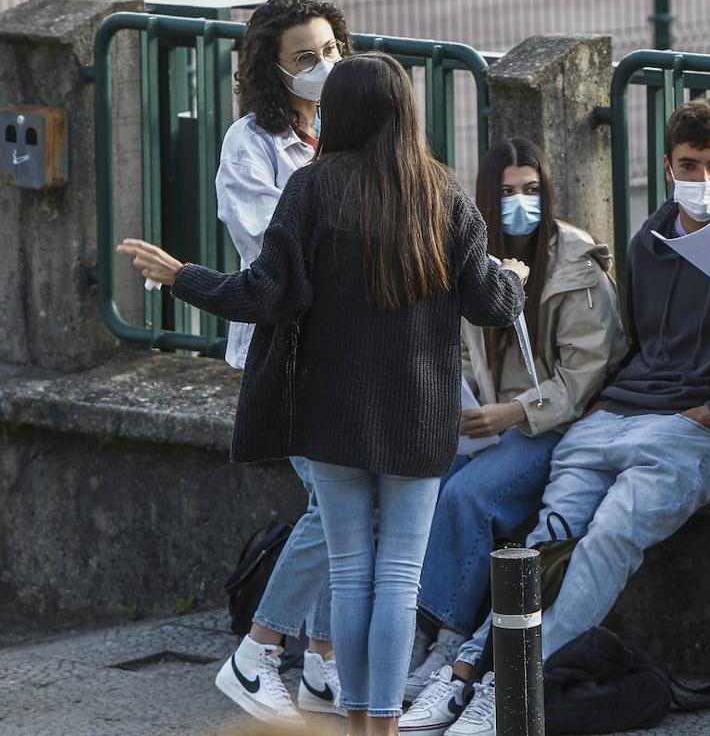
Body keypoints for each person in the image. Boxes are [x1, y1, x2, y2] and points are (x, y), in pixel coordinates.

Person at [117, 52, 528, 736]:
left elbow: (265, 293)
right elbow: (488, 303)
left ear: (339, 112)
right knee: (399, 576)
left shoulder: (313, 189)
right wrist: (510, 273)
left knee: (349, 569)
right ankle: (384, 727)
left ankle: (356, 721)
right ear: (406, 113)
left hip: (331, 412)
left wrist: (183, 275)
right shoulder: (444, 193)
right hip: (420, 415)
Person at [416, 98, 710, 734]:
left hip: (694, 427)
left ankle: (510, 689)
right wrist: (605, 408)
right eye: (687, 166)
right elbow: (636, 347)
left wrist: (709, 414)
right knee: (544, 541)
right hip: (614, 416)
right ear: (667, 166)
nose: (700, 181)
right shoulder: (649, 241)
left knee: (609, 537)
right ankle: (464, 671)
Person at [398, 138, 626, 734]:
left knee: (468, 497)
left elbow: (586, 373)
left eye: (530, 190)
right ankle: (405, 629)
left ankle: (449, 639)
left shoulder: (575, 262)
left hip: (551, 423)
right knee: (422, 476)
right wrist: (465, 404)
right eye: (505, 192)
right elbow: (466, 352)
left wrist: (514, 412)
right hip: (487, 419)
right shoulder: (471, 254)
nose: (519, 202)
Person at [210, 0, 353, 725]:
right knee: (335, 506)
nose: (324, 67)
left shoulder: (350, 130)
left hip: (351, 349)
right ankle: (257, 653)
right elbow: (277, 253)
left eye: (331, 51)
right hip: (290, 355)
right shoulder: (250, 145)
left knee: (344, 504)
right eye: (305, 58)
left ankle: (324, 660)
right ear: (271, 68)